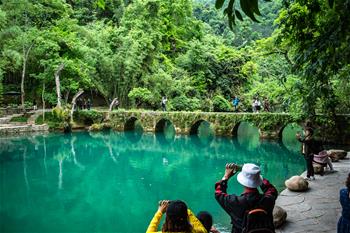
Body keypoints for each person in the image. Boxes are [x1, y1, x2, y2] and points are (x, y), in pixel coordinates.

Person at [215, 163, 278, 233]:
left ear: (242, 182)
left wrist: (226, 177)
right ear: (258, 181)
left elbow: (218, 193)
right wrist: (255, 175)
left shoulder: (234, 202)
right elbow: (271, 189)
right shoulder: (268, 199)